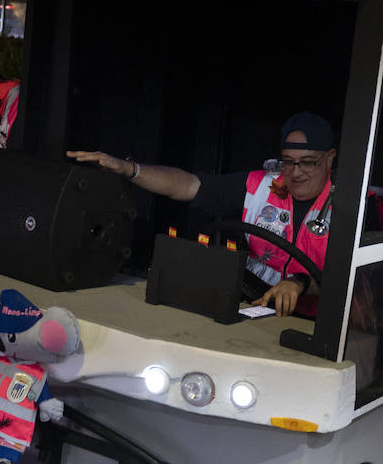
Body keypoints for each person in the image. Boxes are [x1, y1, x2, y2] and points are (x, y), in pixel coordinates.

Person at [68, 112, 342, 317]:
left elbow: (353, 282)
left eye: (308, 162)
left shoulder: (350, 205)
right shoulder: (261, 185)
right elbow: (189, 186)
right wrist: (129, 169)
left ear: (329, 158)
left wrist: (300, 283)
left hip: (319, 326)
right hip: (258, 311)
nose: (295, 172)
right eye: (289, 162)